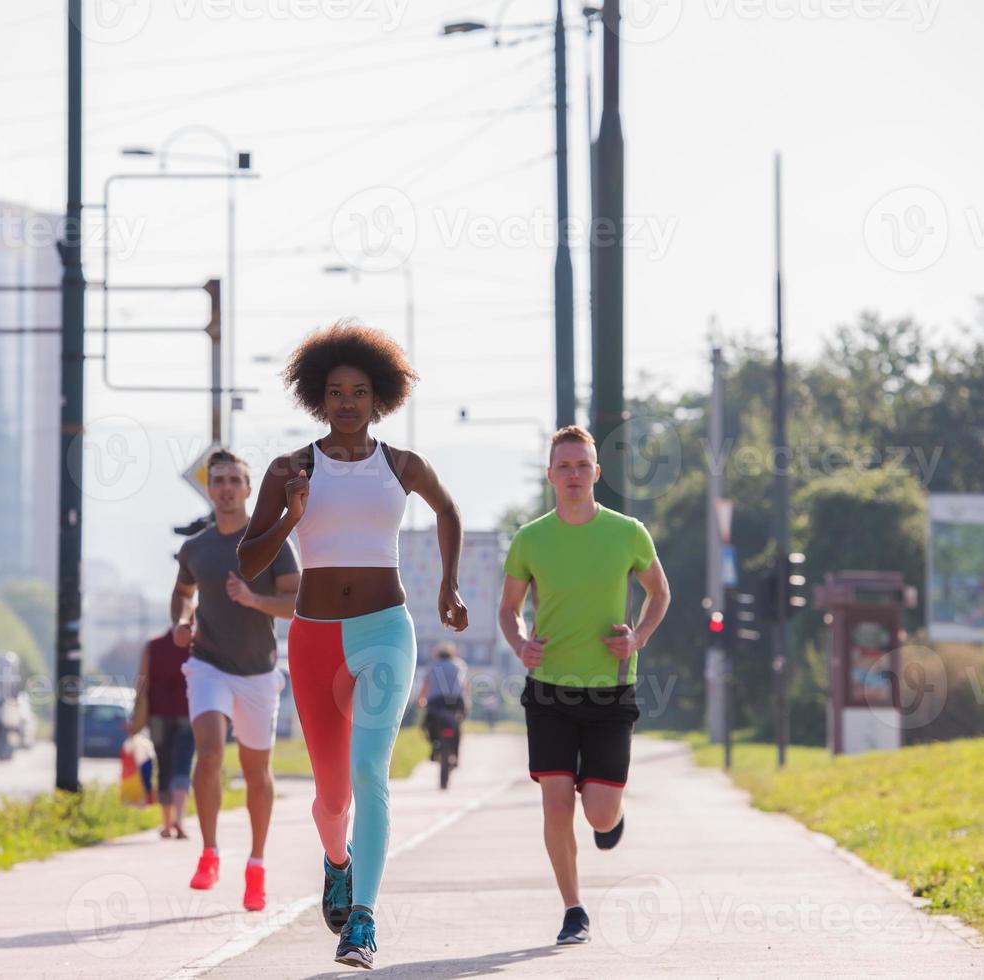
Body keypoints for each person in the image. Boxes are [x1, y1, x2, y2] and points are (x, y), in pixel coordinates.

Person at [238, 322, 468, 970]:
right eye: (335, 392)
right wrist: (289, 514)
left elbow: (447, 511)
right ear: (318, 397)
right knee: (331, 796)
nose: (346, 403)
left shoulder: (401, 464)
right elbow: (250, 557)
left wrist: (447, 586)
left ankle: (362, 921)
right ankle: (335, 863)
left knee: (371, 772)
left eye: (358, 392)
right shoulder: (291, 468)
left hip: (384, 631)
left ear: (379, 398)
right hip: (313, 641)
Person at [496, 425, 671, 946]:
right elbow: (508, 610)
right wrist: (520, 643)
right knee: (555, 803)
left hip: (610, 690)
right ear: (551, 476)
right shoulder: (531, 538)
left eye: (582, 466)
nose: (573, 475)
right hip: (548, 689)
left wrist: (637, 637)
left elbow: (659, 592)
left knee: (597, 814)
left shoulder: (628, 532)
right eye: (563, 467)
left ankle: (609, 815)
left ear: (597, 473)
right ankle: (574, 909)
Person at [172, 448, 300, 913]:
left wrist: (252, 599)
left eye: (234, 481)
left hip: (259, 672)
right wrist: (182, 622)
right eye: (218, 480)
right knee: (208, 752)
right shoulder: (197, 547)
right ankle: (209, 852)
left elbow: (295, 603)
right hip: (207, 663)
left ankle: (257, 865)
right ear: (210, 489)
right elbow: (183, 594)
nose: (225, 488)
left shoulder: (271, 544)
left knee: (255, 771)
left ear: (248, 489)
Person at [128, 627, 195, 839]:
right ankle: (180, 820)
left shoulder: (153, 645)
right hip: (188, 711)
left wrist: (136, 713)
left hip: (157, 715)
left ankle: (166, 824)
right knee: (182, 766)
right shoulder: (196, 645)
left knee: (164, 767)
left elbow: (142, 680)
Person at [416, 642, 470, 761]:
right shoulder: (459, 665)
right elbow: (464, 686)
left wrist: (420, 700)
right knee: (456, 725)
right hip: (457, 701)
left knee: (428, 723)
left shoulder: (433, 666)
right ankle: (455, 754)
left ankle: (435, 746)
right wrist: (466, 703)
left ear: (437, 654)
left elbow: (426, 685)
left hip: (436, 701)